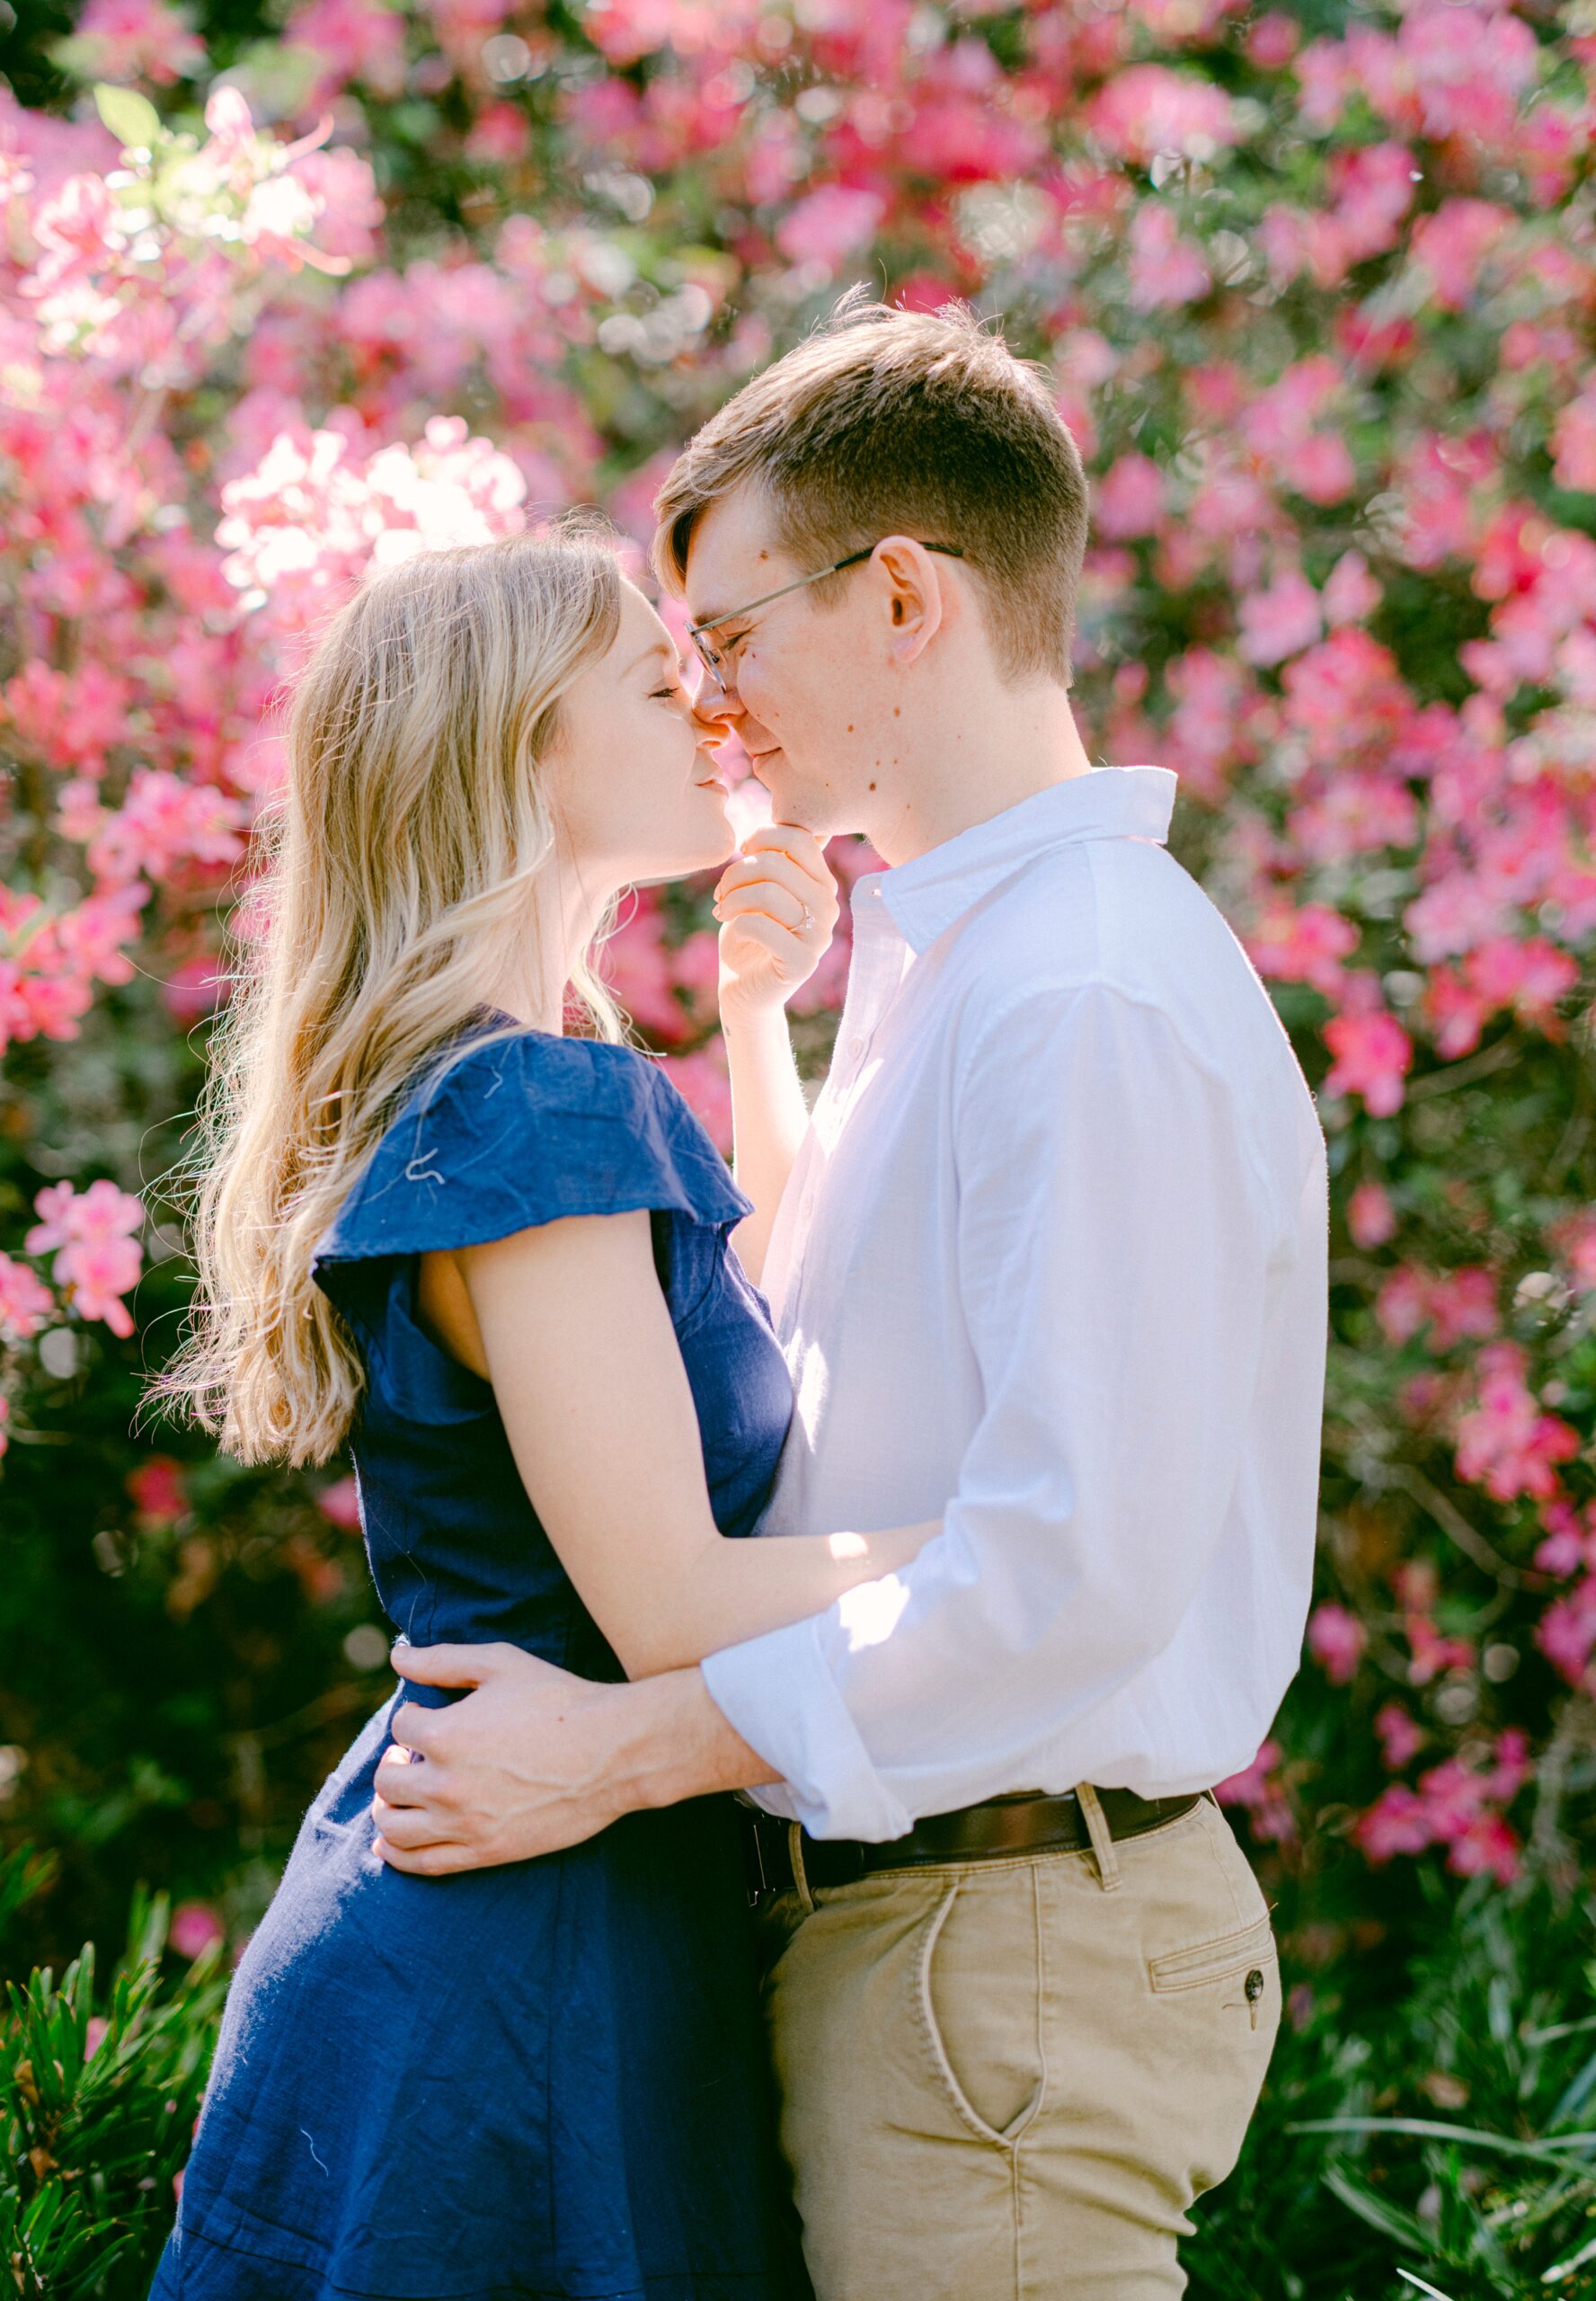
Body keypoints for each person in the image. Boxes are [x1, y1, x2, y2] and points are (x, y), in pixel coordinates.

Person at [373, 298, 1331, 2299]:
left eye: (727, 638)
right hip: (946, 1935)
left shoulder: (1075, 990)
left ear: (903, 596)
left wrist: (626, 1748)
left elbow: (1072, 1566)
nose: (711, 706)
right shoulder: (955, 967)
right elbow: (815, 1426)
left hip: (1005, 1941)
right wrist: (758, 1027)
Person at [146, 523, 936, 2301]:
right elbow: (671, 1591)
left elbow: (756, 1370)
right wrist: (1020, 1538)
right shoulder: (532, 1108)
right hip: (526, 1969)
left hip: (519, 1898)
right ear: (518, 743)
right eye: (661, 685)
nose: (715, 712)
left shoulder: (510, 1094)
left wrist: (753, 1028)